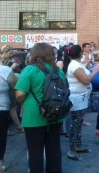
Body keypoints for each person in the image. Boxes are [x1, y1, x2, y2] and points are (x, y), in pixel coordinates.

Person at [15, 43, 66, 173]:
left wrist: (22, 103)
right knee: (54, 149)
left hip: (33, 116)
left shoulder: (29, 69)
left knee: (35, 152)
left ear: (34, 54)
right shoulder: (58, 71)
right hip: (55, 115)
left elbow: (20, 94)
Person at [65, 45, 99, 161]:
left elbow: (85, 72)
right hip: (76, 99)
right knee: (75, 125)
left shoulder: (78, 64)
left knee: (78, 124)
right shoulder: (74, 65)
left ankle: (78, 146)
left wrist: (91, 63)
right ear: (80, 53)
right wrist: (96, 71)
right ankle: (71, 151)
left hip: (81, 98)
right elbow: (86, 80)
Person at [0, 45, 23, 136]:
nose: (11, 55)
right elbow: (11, 82)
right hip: (5, 98)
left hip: (5, 95)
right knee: (12, 108)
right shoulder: (4, 67)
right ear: (4, 52)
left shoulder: (5, 63)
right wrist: (12, 68)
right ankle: (18, 127)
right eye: (10, 53)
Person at [0, 63, 18, 173]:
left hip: (2, 108)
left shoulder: (5, 69)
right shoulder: (5, 70)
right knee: (1, 137)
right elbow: (16, 87)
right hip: (2, 109)